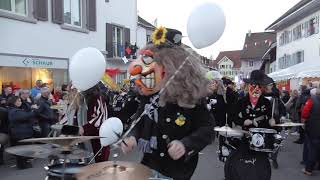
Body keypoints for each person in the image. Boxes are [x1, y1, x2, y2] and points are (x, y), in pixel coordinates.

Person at [121, 27, 214, 180]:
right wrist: (132, 136)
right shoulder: (149, 92)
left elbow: (208, 129)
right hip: (148, 168)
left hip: (177, 172)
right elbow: (140, 118)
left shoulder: (192, 96)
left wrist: (186, 144)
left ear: (172, 66)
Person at [7, 96, 38, 169]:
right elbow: (26, 116)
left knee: (23, 149)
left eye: (20, 101)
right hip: (20, 133)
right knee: (22, 150)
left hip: (21, 132)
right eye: (18, 101)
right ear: (14, 102)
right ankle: (22, 166)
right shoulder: (14, 111)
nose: (20, 102)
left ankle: (24, 164)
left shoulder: (15, 109)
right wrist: (34, 110)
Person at [264, 77, 286, 169]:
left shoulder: (276, 97)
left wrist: (282, 116)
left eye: (270, 85)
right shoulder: (260, 95)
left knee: (275, 142)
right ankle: (264, 159)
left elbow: (282, 108)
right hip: (263, 123)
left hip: (275, 124)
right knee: (264, 141)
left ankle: (274, 158)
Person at [301, 87, 320, 176]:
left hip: (314, 127)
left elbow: (305, 112)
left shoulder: (312, 100)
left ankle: (309, 169)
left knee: (312, 148)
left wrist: (303, 122)